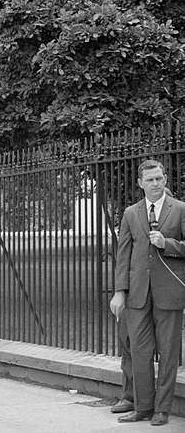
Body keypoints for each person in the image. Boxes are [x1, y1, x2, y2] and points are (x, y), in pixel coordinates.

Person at [110, 159, 185, 427]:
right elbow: (123, 256)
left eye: (160, 178)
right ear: (140, 183)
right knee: (139, 351)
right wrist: (119, 292)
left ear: (165, 179)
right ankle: (142, 407)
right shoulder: (131, 213)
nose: (156, 183)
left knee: (168, 352)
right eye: (150, 180)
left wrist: (169, 244)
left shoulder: (180, 210)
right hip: (137, 295)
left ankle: (162, 410)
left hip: (170, 293)